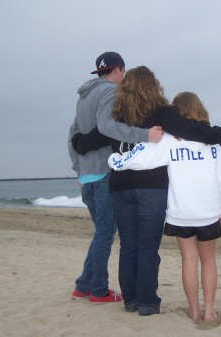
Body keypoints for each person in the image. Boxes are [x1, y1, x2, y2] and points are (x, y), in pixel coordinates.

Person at [100, 66, 221, 316]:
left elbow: (95, 137)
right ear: (153, 86)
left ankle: (131, 301)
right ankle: (147, 304)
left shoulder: (114, 113)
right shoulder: (160, 112)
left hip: (119, 187)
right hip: (150, 188)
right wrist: (218, 134)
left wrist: (79, 143)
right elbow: (190, 130)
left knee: (128, 246)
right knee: (147, 248)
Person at [67, 52, 163, 303]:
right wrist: (144, 135)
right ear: (118, 70)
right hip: (103, 172)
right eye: (123, 72)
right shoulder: (109, 92)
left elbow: (72, 135)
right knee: (105, 234)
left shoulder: (84, 96)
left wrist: (78, 168)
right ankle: (98, 290)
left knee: (102, 232)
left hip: (87, 175)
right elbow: (107, 127)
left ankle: (83, 285)